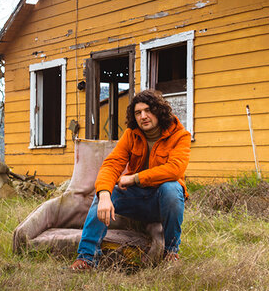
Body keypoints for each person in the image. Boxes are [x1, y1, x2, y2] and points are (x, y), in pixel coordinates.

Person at [70, 88, 190, 270]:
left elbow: (175, 169)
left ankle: (171, 252)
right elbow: (111, 164)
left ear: (159, 110)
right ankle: (87, 258)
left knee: (171, 188)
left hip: (162, 202)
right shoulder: (131, 135)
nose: (143, 116)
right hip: (136, 200)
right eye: (138, 113)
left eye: (148, 110)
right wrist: (103, 195)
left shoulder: (180, 136)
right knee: (105, 192)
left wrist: (134, 178)